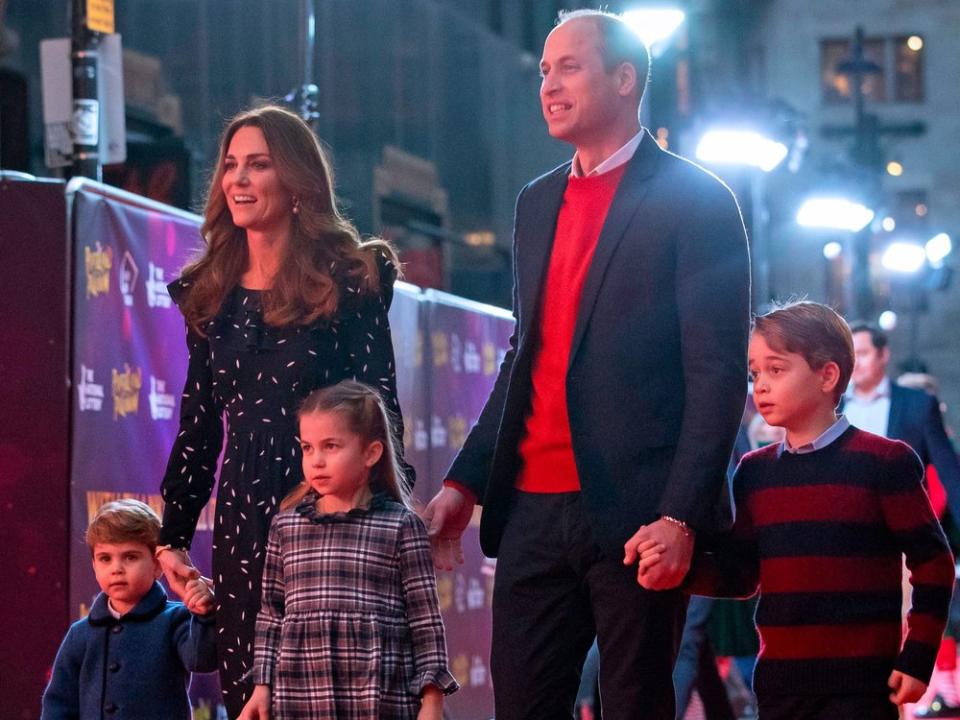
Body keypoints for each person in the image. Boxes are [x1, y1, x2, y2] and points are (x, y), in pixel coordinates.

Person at [422, 9, 750, 719]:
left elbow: (717, 375)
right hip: (532, 512)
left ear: (625, 79)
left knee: (633, 704)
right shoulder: (536, 202)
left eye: (569, 66)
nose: (548, 84)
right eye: (543, 69)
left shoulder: (698, 200)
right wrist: (464, 481)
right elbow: (526, 353)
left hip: (637, 516)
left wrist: (680, 517)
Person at [156, 104, 412, 716]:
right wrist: (171, 538)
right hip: (243, 517)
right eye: (231, 166)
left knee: (335, 694)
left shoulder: (350, 277)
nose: (238, 180)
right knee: (253, 695)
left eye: (259, 165)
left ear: (296, 182)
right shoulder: (210, 293)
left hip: (332, 512)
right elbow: (198, 426)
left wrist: (386, 516)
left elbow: (381, 408)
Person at [636, 301, 956, 720]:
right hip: (781, 687)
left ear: (828, 375)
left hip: (861, 687)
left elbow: (933, 563)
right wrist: (679, 570)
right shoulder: (755, 471)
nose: (761, 386)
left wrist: (916, 657)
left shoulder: (884, 461)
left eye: (776, 369)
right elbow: (742, 573)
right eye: (755, 373)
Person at [238, 380, 457, 720]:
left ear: (371, 452)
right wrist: (262, 686)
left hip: (380, 697)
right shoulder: (287, 526)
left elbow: (425, 621)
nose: (316, 461)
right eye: (307, 448)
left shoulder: (400, 526)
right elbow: (271, 615)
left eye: (331, 446)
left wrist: (432, 700)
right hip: (301, 697)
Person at [846, 322, 960, 717]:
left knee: (897, 630)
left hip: (898, 541)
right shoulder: (832, 405)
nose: (855, 363)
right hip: (840, 540)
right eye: (850, 353)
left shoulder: (915, 405)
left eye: (862, 353)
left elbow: (949, 470)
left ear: (883, 355)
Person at [41, 499, 217, 719]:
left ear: (157, 565)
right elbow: (59, 704)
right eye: (105, 558)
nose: (117, 569)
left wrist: (204, 615)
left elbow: (202, 661)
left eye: (130, 557)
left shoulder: (176, 619)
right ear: (94, 565)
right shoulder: (80, 634)